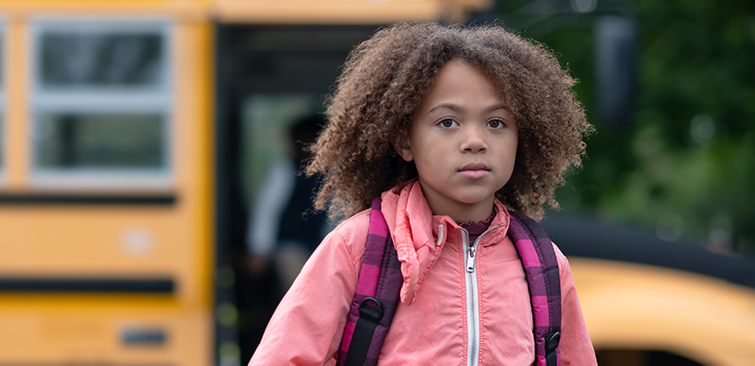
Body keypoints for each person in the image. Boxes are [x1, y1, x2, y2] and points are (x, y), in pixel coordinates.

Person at [250, 23, 598, 365]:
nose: (475, 141)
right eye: (447, 122)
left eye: (496, 123)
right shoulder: (356, 249)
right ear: (404, 141)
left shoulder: (544, 263)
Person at [246, 114, 330, 294]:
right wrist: (260, 249)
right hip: (290, 245)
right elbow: (267, 209)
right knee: (301, 292)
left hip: (323, 245)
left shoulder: (330, 172)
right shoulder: (285, 169)